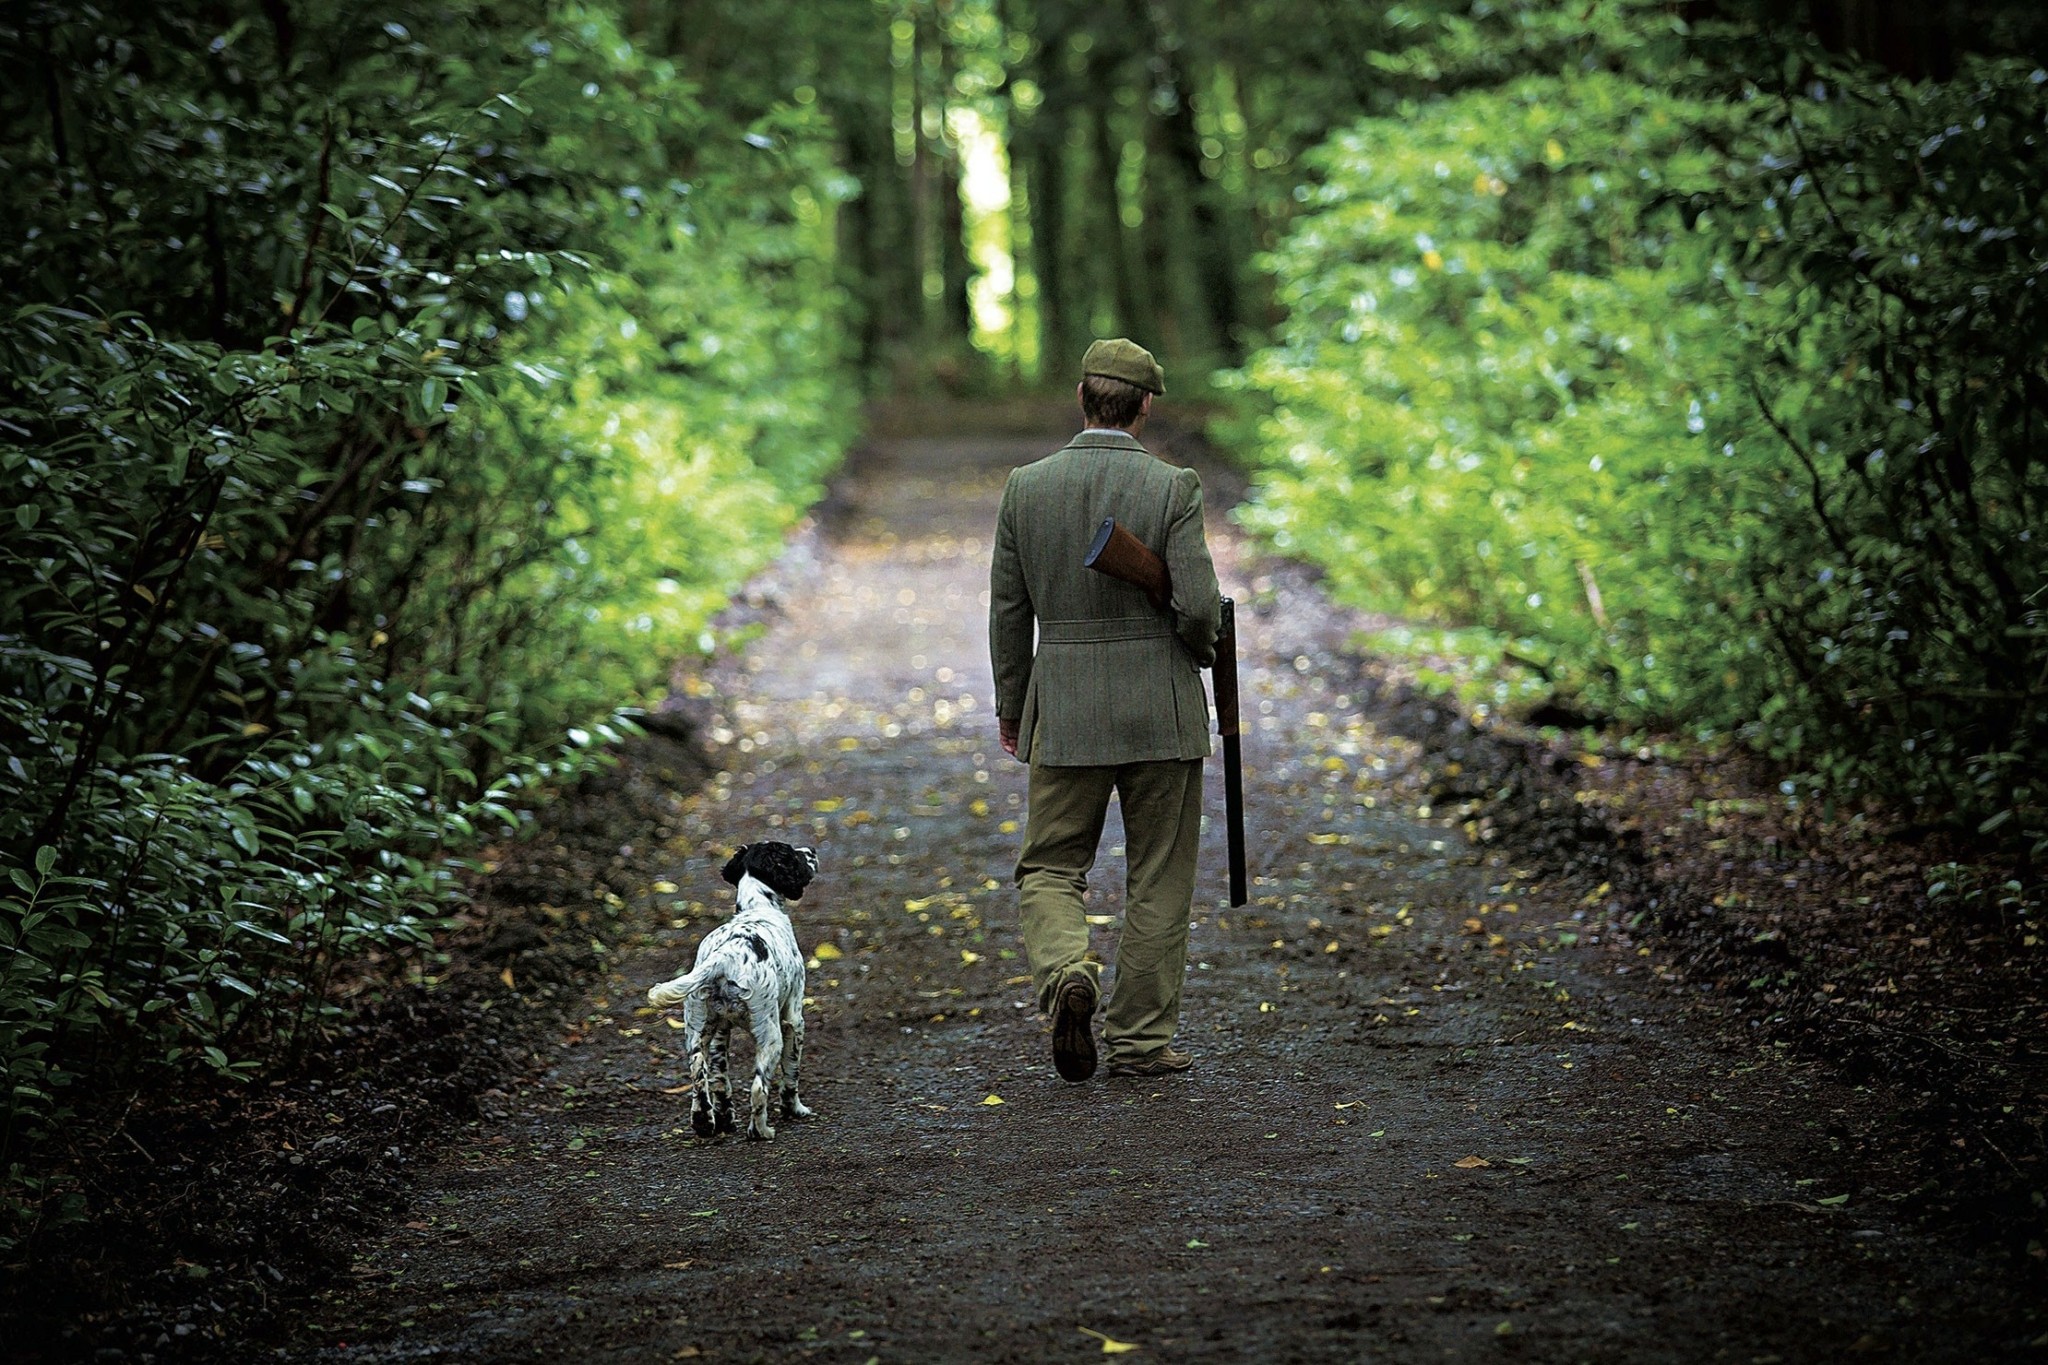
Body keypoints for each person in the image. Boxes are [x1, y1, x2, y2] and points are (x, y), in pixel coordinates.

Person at [988, 338, 1223, 1082]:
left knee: (1050, 866)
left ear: (1081, 398)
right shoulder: (1173, 486)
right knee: (1159, 876)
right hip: (1162, 708)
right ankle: (1141, 1042)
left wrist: (1013, 706)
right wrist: (1203, 646)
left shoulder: (1025, 487)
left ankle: (1067, 972)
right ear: (1145, 405)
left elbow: (1009, 612)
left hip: (1065, 708)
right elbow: (1197, 608)